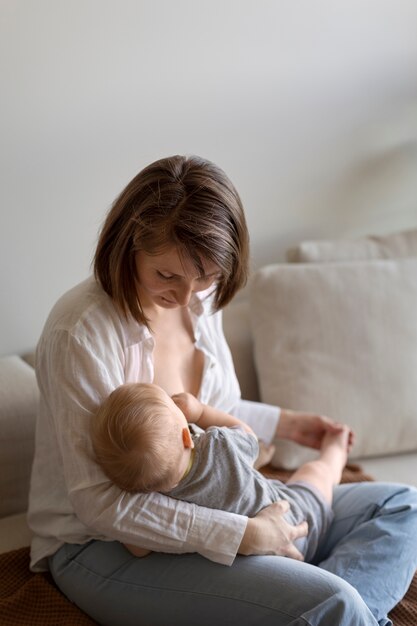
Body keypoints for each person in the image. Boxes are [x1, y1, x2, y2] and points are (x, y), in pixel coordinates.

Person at [28, 154, 417, 626]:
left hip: (224, 502)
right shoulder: (81, 332)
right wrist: (245, 535)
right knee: (332, 602)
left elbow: (220, 407)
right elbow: (98, 504)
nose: (187, 297)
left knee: (403, 506)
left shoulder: (200, 302)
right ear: (128, 245)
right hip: (103, 546)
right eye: (166, 276)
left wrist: (289, 423)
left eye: (206, 278)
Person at [91, 382, 353, 564]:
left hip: (263, 562)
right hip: (293, 520)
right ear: (187, 435)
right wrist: (201, 412)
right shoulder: (218, 444)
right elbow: (249, 436)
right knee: (315, 470)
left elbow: (138, 548)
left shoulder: (160, 505)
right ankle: (336, 452)